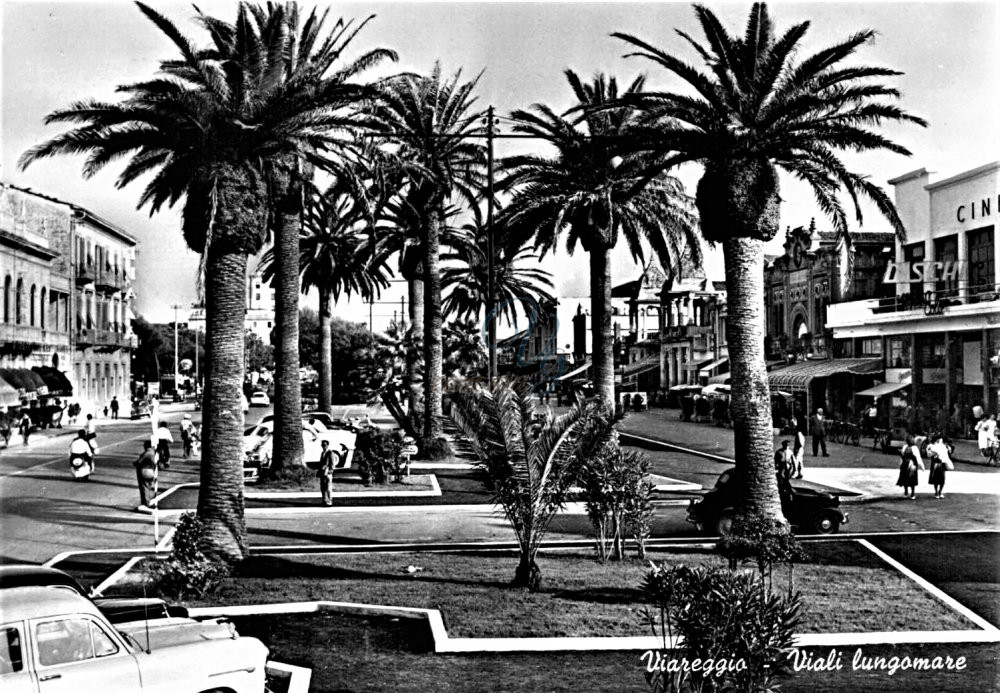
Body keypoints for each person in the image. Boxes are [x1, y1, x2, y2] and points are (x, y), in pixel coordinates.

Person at [925, 433, 954, 499]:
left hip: (942, 463)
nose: (940, 440)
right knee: (935, 479)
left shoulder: (943, 446)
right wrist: (934, 453)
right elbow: (928, 454)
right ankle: (936, 492)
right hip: (935, 462)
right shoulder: (930, 446)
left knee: (942, 479)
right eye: (939, 439)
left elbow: (948, 452)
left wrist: (948, 449)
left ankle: (940, 491)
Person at [896, 434, 925, 499]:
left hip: (905, 464)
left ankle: (906, 492)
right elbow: (918, 458)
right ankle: (912, 493)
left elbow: (902, 456)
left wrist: (900, 464)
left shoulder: (905, 447)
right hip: (912, 464)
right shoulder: (914, 448)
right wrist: (922, 466)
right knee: (912, 479)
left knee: (905, 478)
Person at [133, 439, 159, 507]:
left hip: (145, 470)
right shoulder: (154, 452)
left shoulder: (147, 453)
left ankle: (145, 503)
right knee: (148, 487)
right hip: (152, 471)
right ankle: (148, 501)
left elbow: (139, 462)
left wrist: (135, 463)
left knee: (144, 488)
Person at [318, 440, 336, 506]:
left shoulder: (330, 453)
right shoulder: (322, 453)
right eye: (322, 445)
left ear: (328, 445)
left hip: (327, 472)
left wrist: (331, 470)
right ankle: (324, 500)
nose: (323, 446)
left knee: (328, 487)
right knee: (323, 487)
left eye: (325, 445)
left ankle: (329, 500)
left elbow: (332, 463)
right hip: (322, 472)